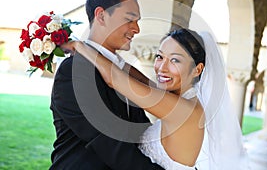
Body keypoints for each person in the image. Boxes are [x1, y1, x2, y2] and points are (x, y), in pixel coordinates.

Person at [62, 28, 250, 169]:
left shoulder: (182, 110)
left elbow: (115, 79)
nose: (162, 68)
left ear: (197, 69)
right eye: (160, 57)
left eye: (175, 60)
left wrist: (80, 47)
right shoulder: (181, 98)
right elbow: (136, 77)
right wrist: (103, 53)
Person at [50, 0, 164, 169]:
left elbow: (141, 133)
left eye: (137, 21)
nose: (137, 29)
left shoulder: (124, 71)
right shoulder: (73, 71)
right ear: (101, 16)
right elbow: (109, 144)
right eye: (129, 19)